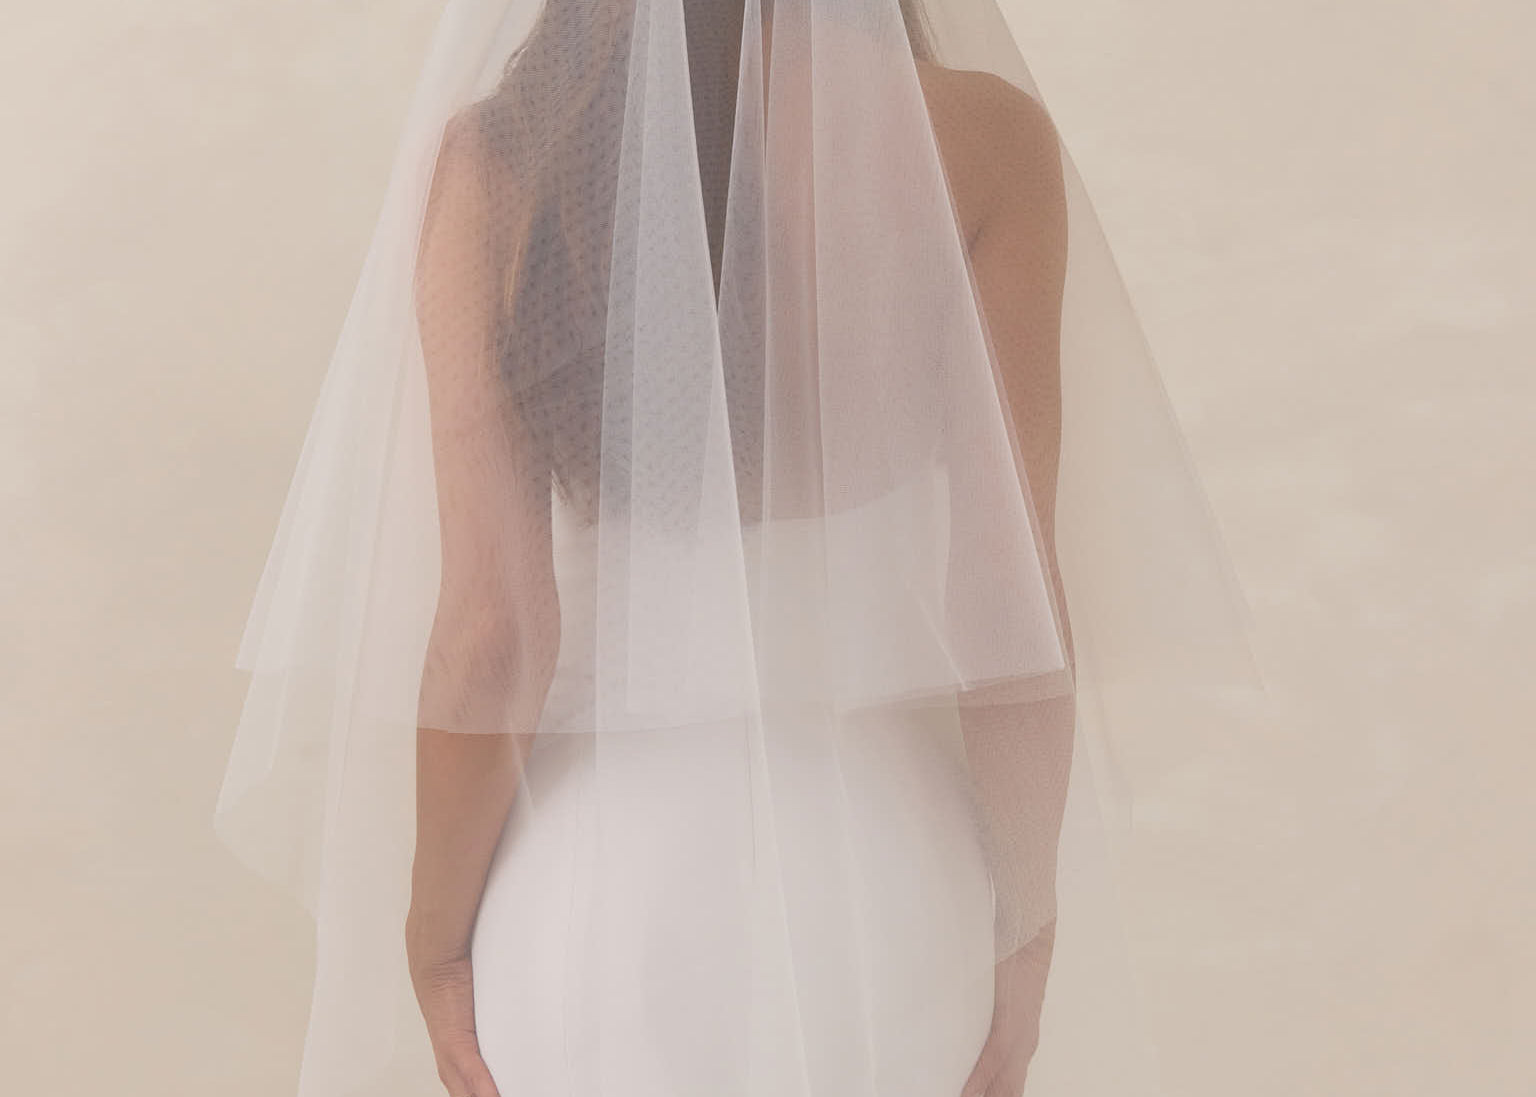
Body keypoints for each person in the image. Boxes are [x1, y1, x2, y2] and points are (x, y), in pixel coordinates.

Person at [217, 1, 1256, 1095]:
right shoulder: (982, 144)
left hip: (590, 891)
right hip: (883, 881)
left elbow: (492, 634)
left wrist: (433, 937)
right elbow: (1005, 601)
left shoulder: (500, 165)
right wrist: (1028, 921)